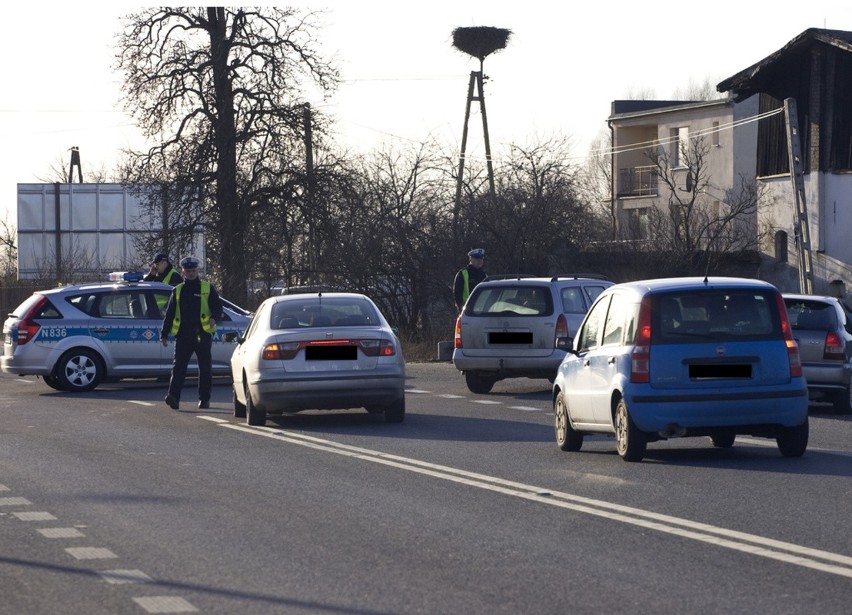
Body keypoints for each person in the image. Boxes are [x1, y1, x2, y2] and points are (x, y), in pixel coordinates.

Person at [160, 256, 223, 410]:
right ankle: (173, 397)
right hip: (183, 335)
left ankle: (204, 399)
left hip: (202, 333)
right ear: (183, 272)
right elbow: (170, 313)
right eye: (188, 271)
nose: (191, 273)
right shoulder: (178, 290)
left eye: (193, 270)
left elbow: (217, 307)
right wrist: (164, 333)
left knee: (205, 368)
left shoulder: (207, 288)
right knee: (178, 367)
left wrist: (214, 318)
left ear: (198, 271)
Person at [453, 248, 487, 312]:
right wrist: (461, 310)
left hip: (483, 311)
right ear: (470, 259)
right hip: (468, 311)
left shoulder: (484, 275)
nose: (479, 261)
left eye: (481, 258)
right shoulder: (463, 273)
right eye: (477, 258)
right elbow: (457, 294)